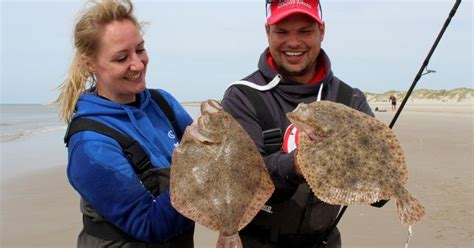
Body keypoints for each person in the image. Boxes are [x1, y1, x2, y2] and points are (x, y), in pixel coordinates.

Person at [221, 0, 376, 247]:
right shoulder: (242, 97)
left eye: (305, 31)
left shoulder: (350, 99)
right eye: (282, 32)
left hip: (325, 240)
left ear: (321, 31)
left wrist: (378, 179)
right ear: (267, 32)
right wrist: (295, 164)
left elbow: (376, 185)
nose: (293, 43)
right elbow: (240, 179)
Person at [55, 0, 194, 247]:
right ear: (90, 64)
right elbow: (149, 224)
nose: (138, 64)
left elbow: (208, 152)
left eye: (140, 49)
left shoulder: (162, 103)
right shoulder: (90, 144)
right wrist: (202, 169)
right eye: (121, 58)